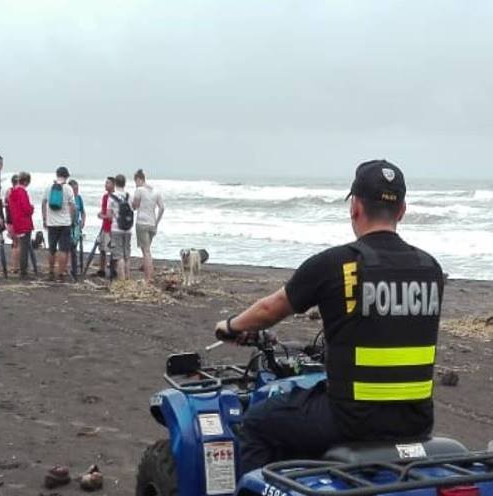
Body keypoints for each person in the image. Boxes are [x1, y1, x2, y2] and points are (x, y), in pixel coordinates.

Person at [214, 160, 444, 476]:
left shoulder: (334, 264)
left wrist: (231, 326)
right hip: (416, 421)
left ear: (355, 207)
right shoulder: (430, 269)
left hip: (350, 421)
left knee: (256, 422)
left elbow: (272, 309)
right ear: (402, 210)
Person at [42, 166, 76, 282]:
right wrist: (71, 220)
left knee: (52, 249)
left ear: (57, 174)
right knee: (63, 249)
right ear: (67, 176)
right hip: (65, 223)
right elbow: (72, 206)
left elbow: (44, 203)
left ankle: (51, 272)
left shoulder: (49, 187)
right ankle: (60, 273)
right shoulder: (68, 188)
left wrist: (44, 219)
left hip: (51, 223)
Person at [131, 169, 165, 281]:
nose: (135, 184)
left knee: (146, 252)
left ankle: (148, 277)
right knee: (148, 250)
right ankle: (150, 275)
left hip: (142, 222)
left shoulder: (139, 190)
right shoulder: (156, 191)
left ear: (139, 179)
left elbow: (134, 206)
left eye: (135, 181)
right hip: (152, 223)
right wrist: (157, 221)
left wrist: (133, 204)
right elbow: (162, 208)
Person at [7, 172, 36, 279]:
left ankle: (21, 269)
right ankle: (23, 271)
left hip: (16, 222)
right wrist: (32, 208)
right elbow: (26, 209)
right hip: (24, 222)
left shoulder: (12, 192)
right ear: (26, 181)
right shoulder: (22, 192)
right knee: (24, 248)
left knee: (19, 245)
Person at [108, 174, 134, 280]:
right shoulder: (129, 196)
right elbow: (133, 210)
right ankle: (128, 277)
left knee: (119, 256)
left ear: (115, 183)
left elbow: (109, 215)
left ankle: (122, 280)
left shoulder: (111, 197)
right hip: (128, 229)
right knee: (127, 254)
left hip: (116, 228)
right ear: (125, 183)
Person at [95, 176, 115, 277]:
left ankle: (113, 270)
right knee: (102, 249)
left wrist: (102, 215)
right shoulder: (105, 197)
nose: (106, 185)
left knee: (111, 250)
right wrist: (101, 214)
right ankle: (101, 270)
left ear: (113, 185)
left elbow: (111, 215)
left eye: (108, 183)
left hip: (112, 228)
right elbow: (104, 211)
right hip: (104, 226)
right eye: (106, 183)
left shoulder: (115, 197)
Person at [69, 179, 86, 278]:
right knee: (69, 248)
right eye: (75, 189)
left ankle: (75, 270)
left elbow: (83, 211)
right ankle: (70, 269)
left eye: (77, 189)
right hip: (68, 225)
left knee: (75, 247)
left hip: (76, 226)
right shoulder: (68, 198)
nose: (76, 191)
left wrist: (83, 221)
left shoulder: (79, 198)